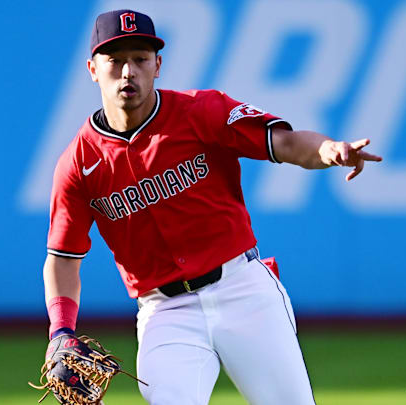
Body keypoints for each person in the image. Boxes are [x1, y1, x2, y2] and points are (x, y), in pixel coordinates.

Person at [43, 9, 382, 405]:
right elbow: (63, 257)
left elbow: (285, 143)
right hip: (165, 312)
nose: (128, 71)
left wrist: (328, 150)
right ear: (93, 69)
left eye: (140, 58)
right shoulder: (78, 163)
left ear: (158, 65)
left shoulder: (201, 111)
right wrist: (61, 331)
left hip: (243, 290)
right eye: (115, 60)